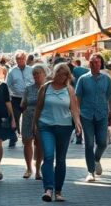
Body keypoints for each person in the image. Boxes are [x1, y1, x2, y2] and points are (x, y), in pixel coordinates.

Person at [33, 62, 83, 202]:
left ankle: (59, 191)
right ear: (54, 73)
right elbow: (38, 108)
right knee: (48, 156)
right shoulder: (45, 87)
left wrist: (78, 124)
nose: (62, 76)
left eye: (65, 74)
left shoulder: (69, 90)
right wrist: (34, 126)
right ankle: (48, 189)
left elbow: (74, 109)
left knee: (60, 160)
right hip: (46, 125)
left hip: (64, 127)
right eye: (60, 73)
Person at [74, 53, 111, 182]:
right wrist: (76, 117)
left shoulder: (106, 79)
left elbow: (109, 98)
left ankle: (96, 159)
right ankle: (90, 171)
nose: (94, 64)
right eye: (92, 62)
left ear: (101, 63)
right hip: (86, 115)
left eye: (97, 62)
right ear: (89, 63)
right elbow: (77, 98)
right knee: (89, 144)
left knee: (103, 142)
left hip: (102, 114)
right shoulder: (83, 79)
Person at [19, 63, 48, 180]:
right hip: (28, 117)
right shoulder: (28, 88)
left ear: (44, 74)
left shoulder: (48, 88)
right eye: (34, 74)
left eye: (38, 73)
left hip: (42, 118)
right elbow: (23, 103)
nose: (36, 76)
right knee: (27, 142)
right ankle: (28, 168)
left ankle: (38, 169)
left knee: (40, 143)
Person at [6, 51, 34, 149]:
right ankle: (13, 137)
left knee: (28, 118)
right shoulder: (12, 71)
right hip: (16, 98)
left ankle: (27, 137)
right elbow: (7, 84)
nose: (20, 61)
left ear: (25, 59)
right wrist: (7, 96)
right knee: (14, 117)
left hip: (28, 98)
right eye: (18, 59)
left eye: (22, 59)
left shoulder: (31, 70)